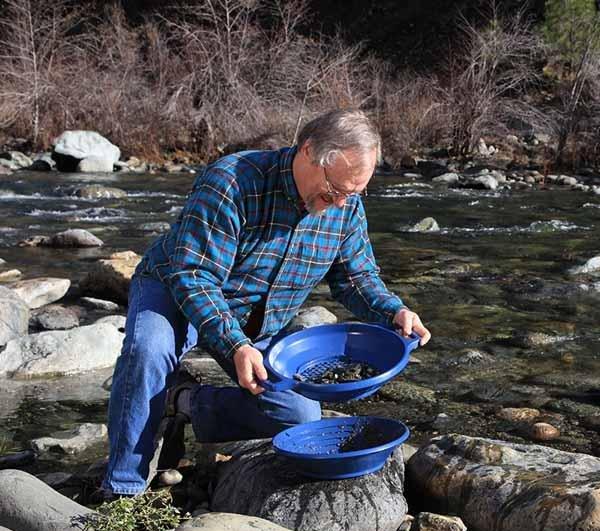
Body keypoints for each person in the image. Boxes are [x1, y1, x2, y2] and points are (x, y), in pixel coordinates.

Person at [102, 108, 431, 497]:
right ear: (307, 152)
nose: (341, 203)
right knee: (148, 352)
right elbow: (195, 275)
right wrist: (234, 344)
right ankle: (122, 489)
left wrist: (393, 311)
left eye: (354, 194)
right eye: (335, 191)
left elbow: (355, 278)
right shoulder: (232, 181)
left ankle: (182, 403)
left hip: (255, 319)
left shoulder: (344, 207)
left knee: (298, 415)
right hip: (175, 286)